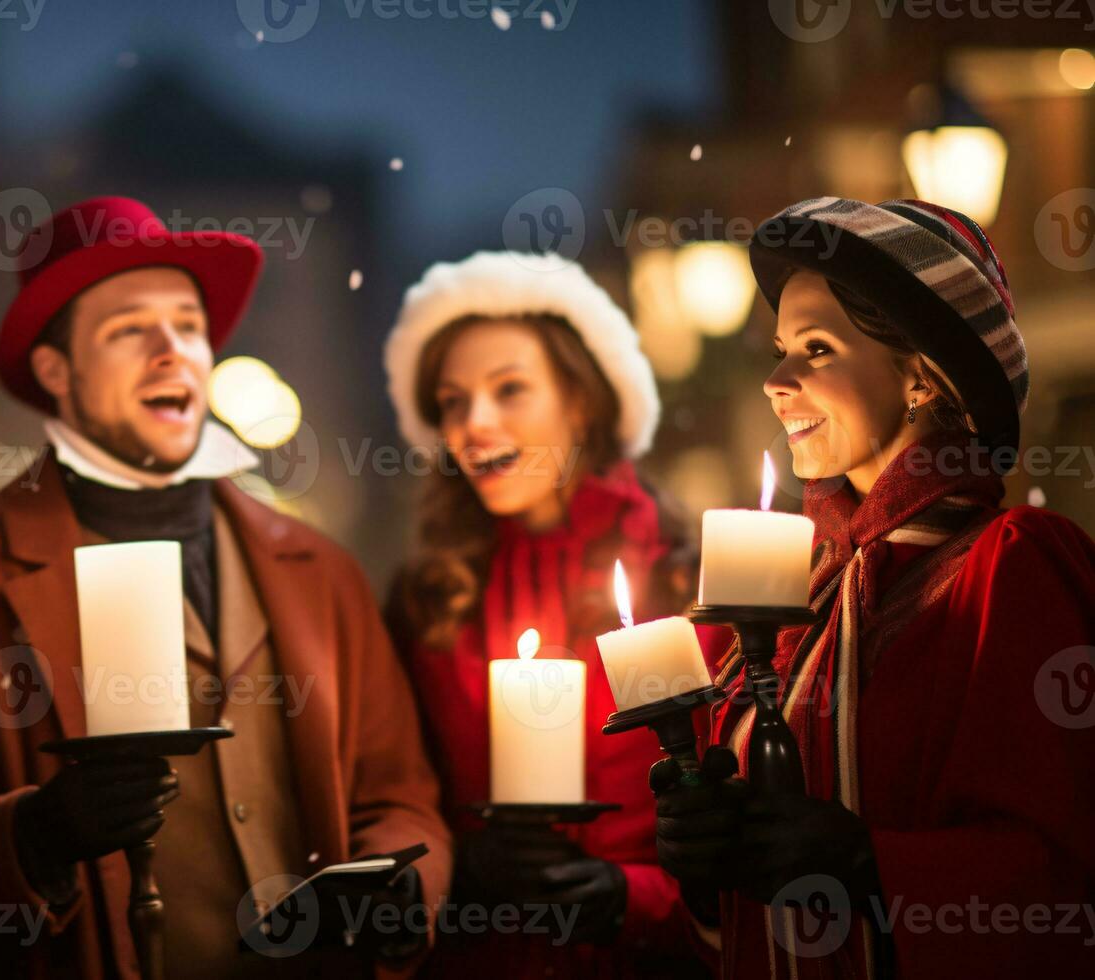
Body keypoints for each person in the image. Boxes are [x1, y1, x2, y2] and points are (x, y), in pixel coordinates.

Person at [0, 197, 452, 978]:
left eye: (189, 325)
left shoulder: (320, 569)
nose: (172, 350)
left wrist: (403, 889)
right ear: (54, 370)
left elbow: (398, 794)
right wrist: (32, 836)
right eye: (129, 329)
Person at [651, 198, 1095, 978]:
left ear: (921, 375)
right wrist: (705, 867)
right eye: (782, 348)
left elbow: (1058, 874)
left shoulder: (1008, 565)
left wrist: (865, 863)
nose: (775, 380)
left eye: (816, 349)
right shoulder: (797, 590)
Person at [381, 251, 715, 976]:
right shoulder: (429, 599)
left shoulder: (685, 579)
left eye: (509, 390)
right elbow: (394, 796)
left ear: (581, 400)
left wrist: (635, 896)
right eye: (451, 401)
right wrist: (460, 864)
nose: (475, 423)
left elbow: (739, 822)